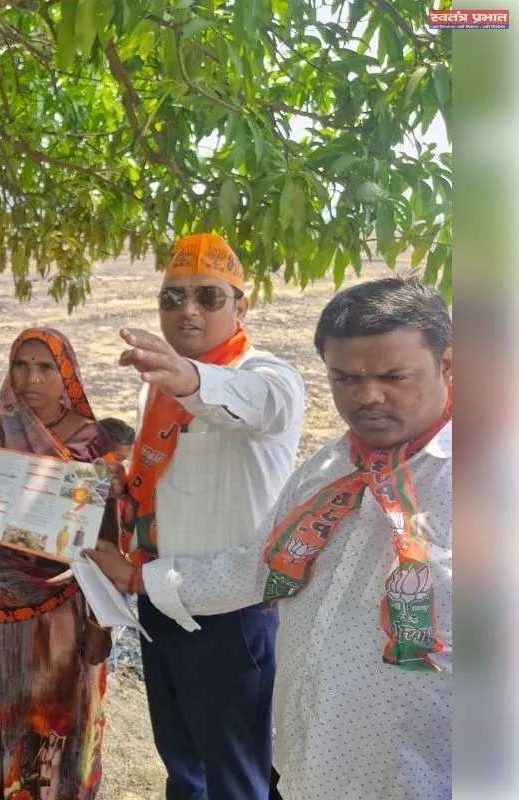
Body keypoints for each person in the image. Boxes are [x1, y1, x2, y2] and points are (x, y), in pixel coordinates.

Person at [88, 275, 453, 799]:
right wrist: (141, 579)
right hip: (311, 769)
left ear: (448, 365)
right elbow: (258, 569)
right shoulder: (328, 470)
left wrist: (190, 377)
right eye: (345, 378)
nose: (367, 396)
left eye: (394, 376)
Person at [104, 234, 306, 800]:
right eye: (173, 297)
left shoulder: (268, 376)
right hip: (160, 598)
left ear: (241, 306)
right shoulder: (163, 384)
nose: (187, 310)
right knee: (181, 763)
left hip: (229, 615)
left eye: (207, 296)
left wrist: (191, 380)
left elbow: (253, 404)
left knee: (235, 776)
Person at [0, 328, 117, 800]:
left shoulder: (91, 443)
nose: (30, 377)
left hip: (60, 612)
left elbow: (108, 541)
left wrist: (103, 623)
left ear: (68, 377)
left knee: (53, 718)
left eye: (46, 367)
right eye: (21, 364)